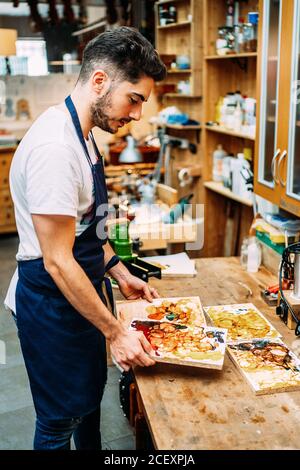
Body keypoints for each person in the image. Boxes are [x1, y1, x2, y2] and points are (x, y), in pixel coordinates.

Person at [4, 26, 167, 450]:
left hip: (81, 289)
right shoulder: (55, 148)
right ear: (100, 81)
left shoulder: (85, 137)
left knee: (88, 404)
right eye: (134, 98)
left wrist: (118, 271)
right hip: (52, 301)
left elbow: (89, 224)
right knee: (59, 421)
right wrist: (116, 332)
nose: (137, 114)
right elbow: (57, 260)